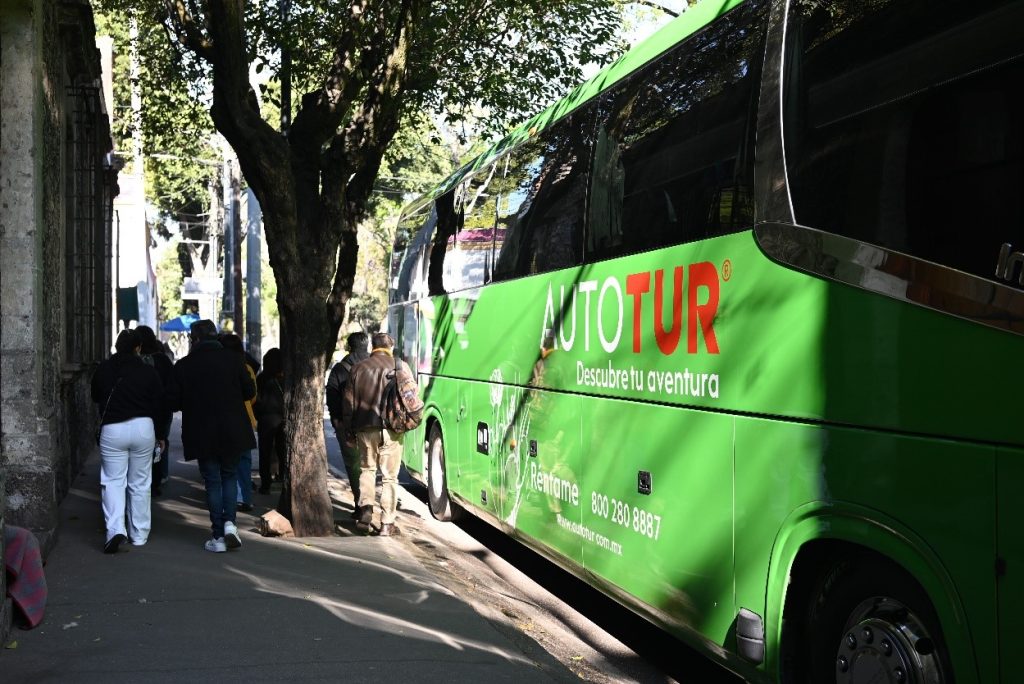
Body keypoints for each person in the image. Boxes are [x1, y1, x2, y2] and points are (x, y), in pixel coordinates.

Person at [168, 320, 256, 552]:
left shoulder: (184, 366)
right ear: (216, 337)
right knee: (229, 476)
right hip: (233, 429)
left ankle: (217, 536)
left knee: (212, 481)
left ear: (194, 339)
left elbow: (175, 402)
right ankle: (230, 525)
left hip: (201, 431)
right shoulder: (235, 360)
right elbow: (249, 391)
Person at [91, 329, 166, 553]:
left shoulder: (104, 369)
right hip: (143, 427)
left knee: (113, 481)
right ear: (138, 348)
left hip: (113, 428)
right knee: (140, 483)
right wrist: (161, 435)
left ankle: (115, 530)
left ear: (116, 347)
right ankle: (139, 534)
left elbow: (95, 395)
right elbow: (160, 403)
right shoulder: (147, 371)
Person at [341, 332, 405, 537]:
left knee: (367, 470)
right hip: (392, 429)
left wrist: (349, 431)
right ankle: (387, 523)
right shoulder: (399, 366)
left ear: (372, 348)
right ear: (390, 347)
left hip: (364, 428)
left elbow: (348, 404)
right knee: (389, 477)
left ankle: (366, 509)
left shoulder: (358, 369)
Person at [325, 332, 369, 510]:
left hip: (347, 424)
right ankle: (369, 503)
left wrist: (336, 419)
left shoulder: (340, 368)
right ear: (366, 345)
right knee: (370, 466)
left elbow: (332, 394)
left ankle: (361, 502)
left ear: (349, 347)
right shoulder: (375, 365)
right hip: (372, 424)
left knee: (353, 464)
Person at [219, 333, 258, 512]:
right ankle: (246, 498)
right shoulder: (246, 368)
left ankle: (230, 498)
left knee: (226, 463)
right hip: (245, 418)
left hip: (224, 419)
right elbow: (253, 395)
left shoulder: (217, 368)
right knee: (244, 461)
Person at [135, 325, 174, 497]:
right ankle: (157, 479)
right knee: (159, 444)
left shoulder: (133, 360)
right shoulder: (163, 360)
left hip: (138, 409)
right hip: (161, 409)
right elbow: (171, 383)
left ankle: (141, 479)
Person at [254, 348, 286, 495]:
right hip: (283, 418)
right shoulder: (286, 378)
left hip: (266, 419)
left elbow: (255, 399)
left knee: (265, 452)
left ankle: (265, 484)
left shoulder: (261, 378)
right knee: (283, 451)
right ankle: (284, 479)